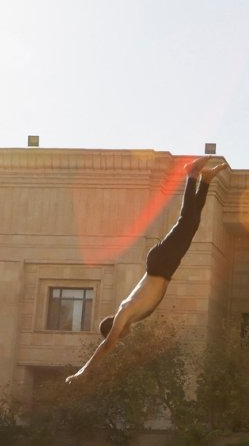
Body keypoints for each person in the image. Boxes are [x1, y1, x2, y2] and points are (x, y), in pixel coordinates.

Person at [69, 157, 223, 380]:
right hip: (165, 266)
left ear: (116, 330)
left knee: (185, 222)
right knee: (192, 225)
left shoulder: (124, 313)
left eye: (118, 335)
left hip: (160, 264)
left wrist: (84, 371)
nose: (122, 337)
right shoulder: (132, 316)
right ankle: (206, 180)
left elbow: (107, 345)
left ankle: (191, 174)